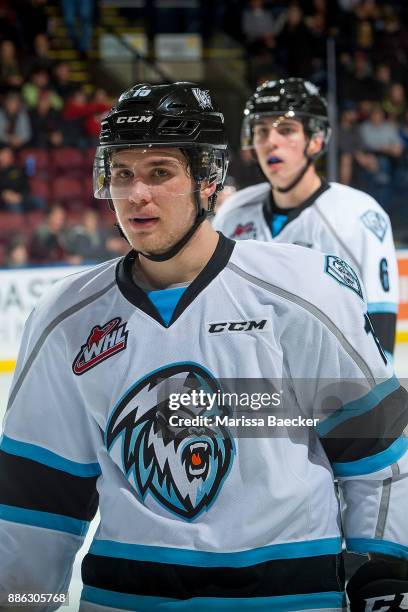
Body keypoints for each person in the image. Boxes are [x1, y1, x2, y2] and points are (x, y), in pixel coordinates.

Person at [1, 82, 408, 612]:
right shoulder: (65, 318)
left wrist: (387, 572)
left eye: (160, 172)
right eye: (122, 173)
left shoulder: (303, 292)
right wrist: (19, 601)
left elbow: (376, 453)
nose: (136, 194)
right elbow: (37, 502)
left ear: (208, 179)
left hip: (289, 601)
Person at [213, 78, 399, 359]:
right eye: (261, 131)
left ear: (316, 140)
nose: (270, 142)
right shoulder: (233, 212)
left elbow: (379, 324)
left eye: (286, 130)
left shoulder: (357, 215)